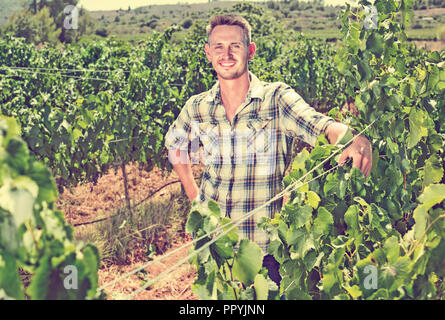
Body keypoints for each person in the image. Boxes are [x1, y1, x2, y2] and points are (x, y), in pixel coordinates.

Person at [165, 14, 372, 286]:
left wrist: (351, 137)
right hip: (215, 250)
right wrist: (196, 199)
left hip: (265, 254)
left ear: (250, 50)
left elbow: (317, 124)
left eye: (235, 46)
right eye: (218, 47)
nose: (226, 54)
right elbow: (175, 144)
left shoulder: (276, 99)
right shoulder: (198, 106)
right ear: (208, 53)